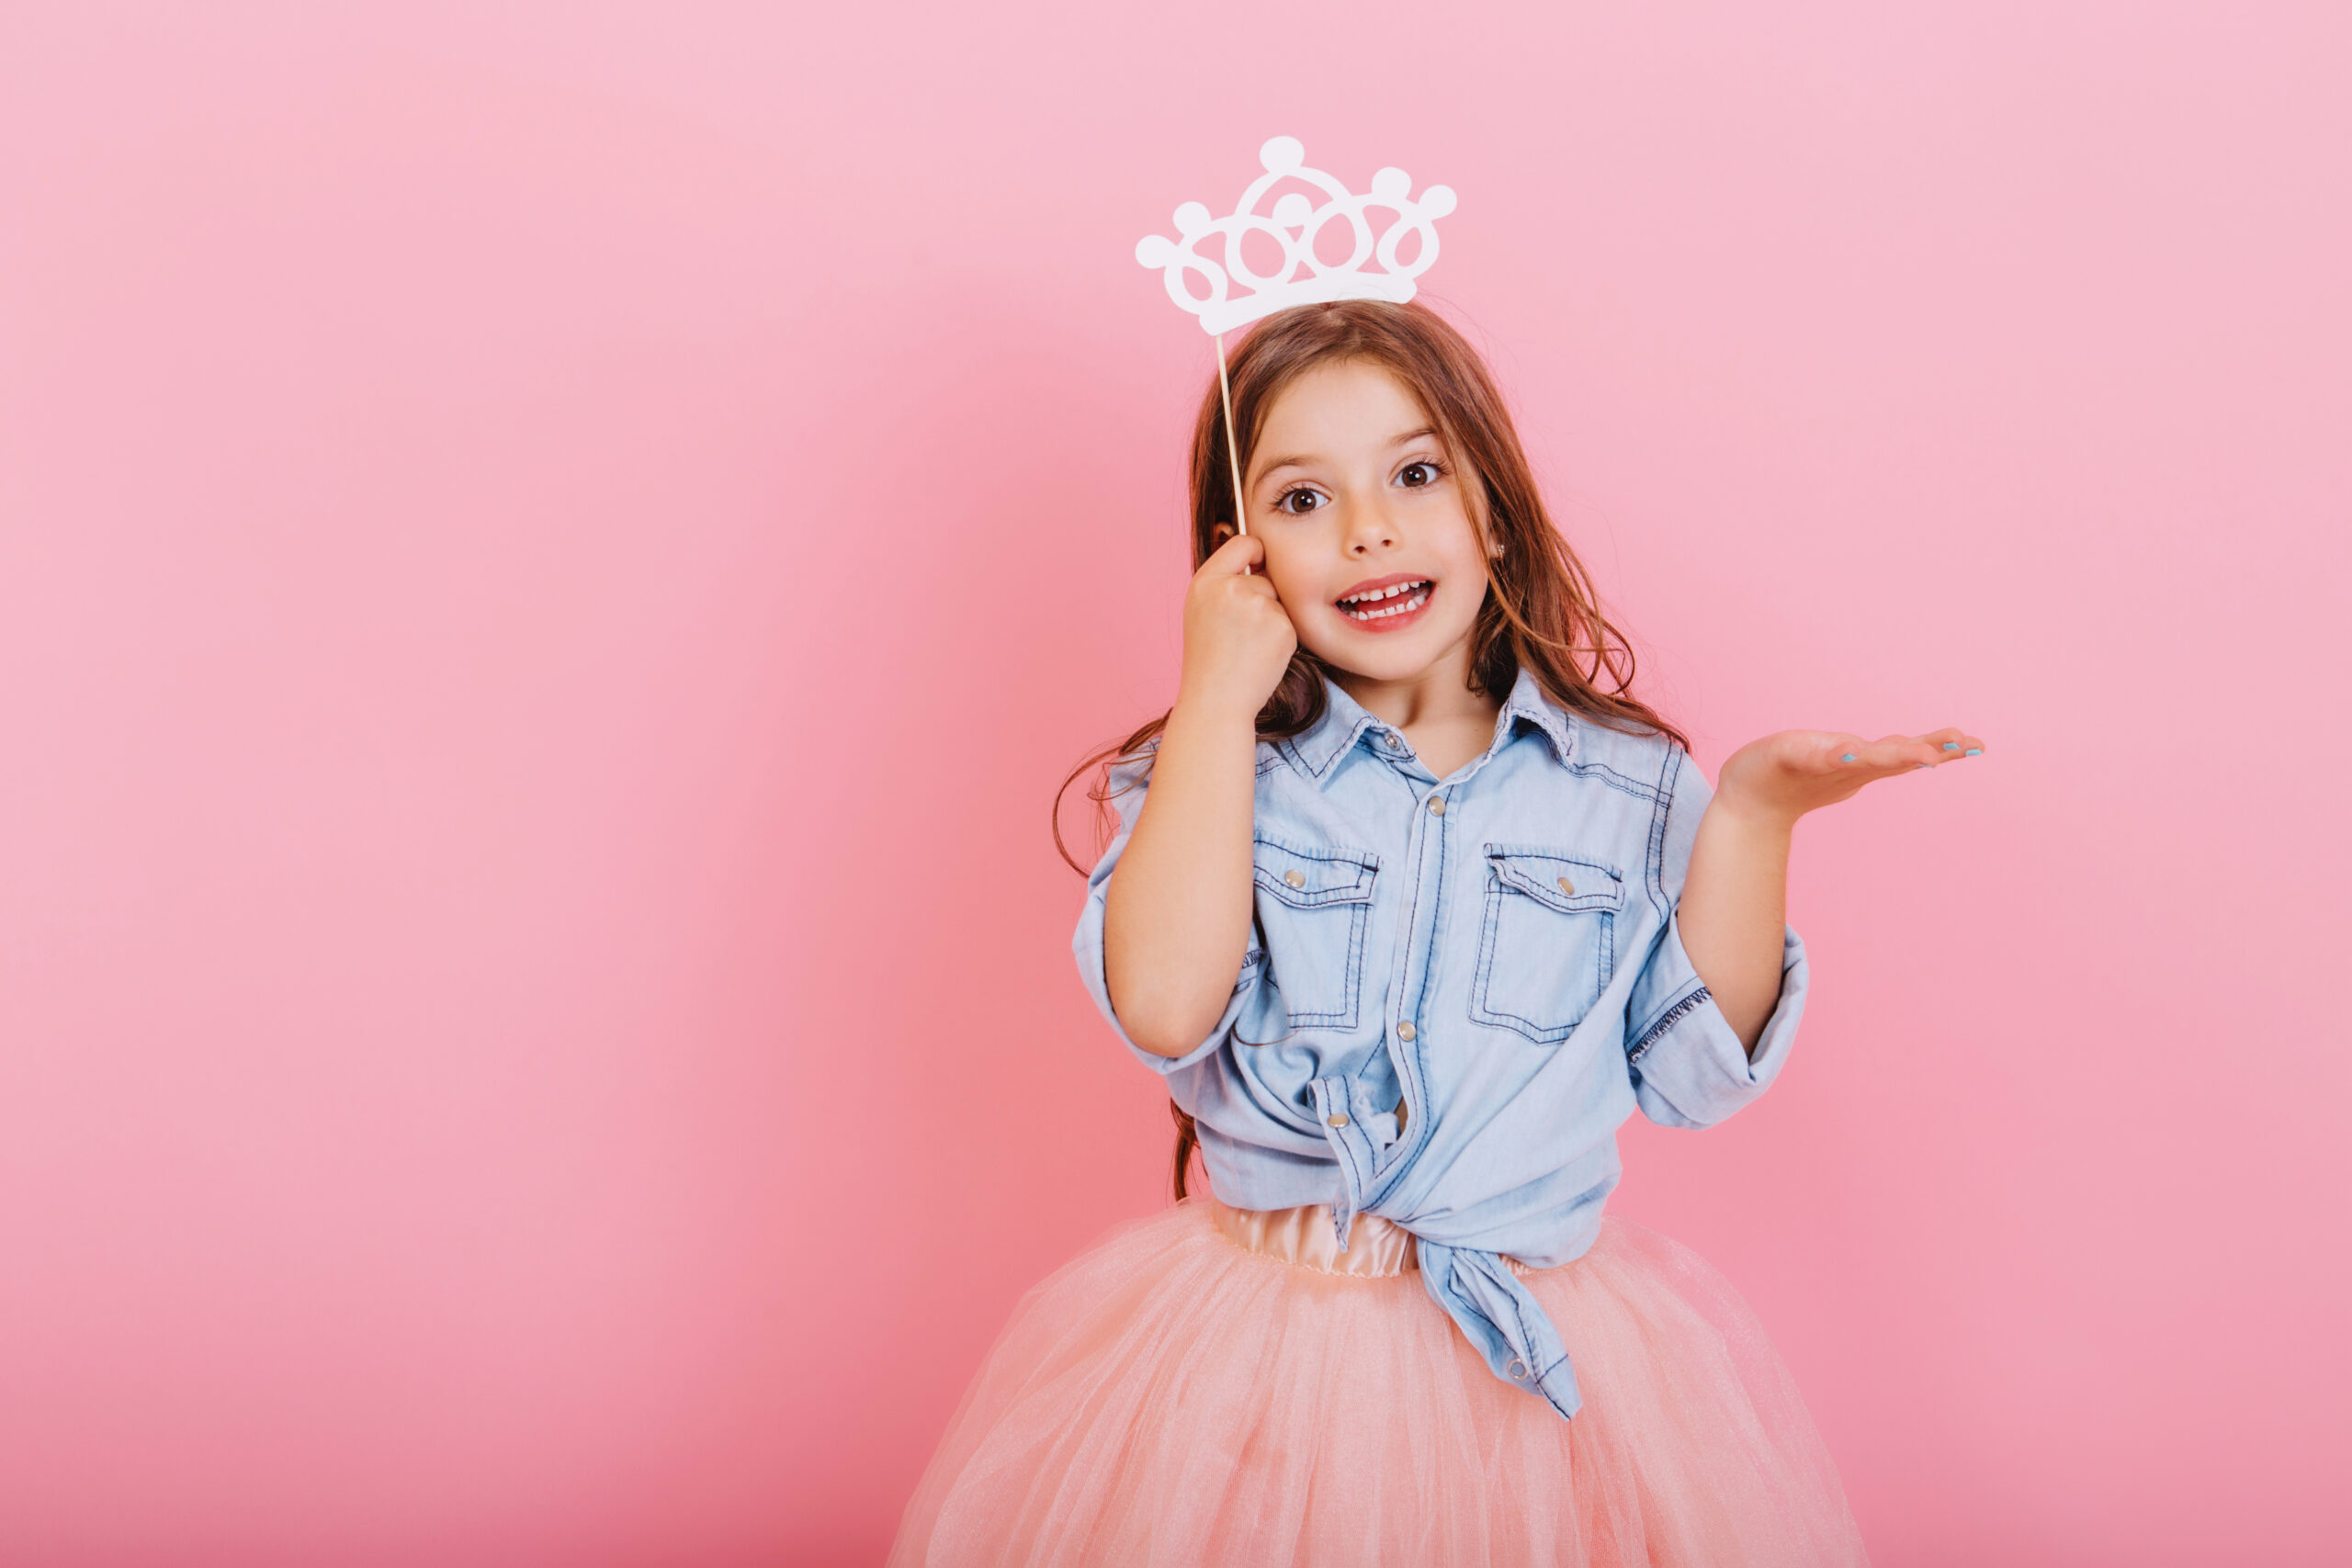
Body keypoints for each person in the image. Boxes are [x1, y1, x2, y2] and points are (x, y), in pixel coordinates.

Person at [888, 299, 1980, 1566]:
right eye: (1302, 501)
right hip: (1257, 1368)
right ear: (1237, 562)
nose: (1368, 529)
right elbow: (1166, 1007)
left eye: (1415, 473)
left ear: (1494, 514)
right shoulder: (1212, 772)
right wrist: (1215, 704)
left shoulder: (1624, 786)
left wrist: (1750, 820)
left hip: (1524, 1365)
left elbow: (1689, 1080)